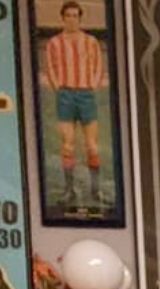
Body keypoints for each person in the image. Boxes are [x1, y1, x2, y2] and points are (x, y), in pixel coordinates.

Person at [40, 1, 108, 215]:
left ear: (80, 18)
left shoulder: (90, 41)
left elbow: (98, 65)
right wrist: (59, 88)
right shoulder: (54, 43)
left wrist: (92, 85)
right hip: (66, 95)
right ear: (63, 18)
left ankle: (96, 191)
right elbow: (50, 67)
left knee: (92, 145)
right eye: (68, 15)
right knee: (67, 145)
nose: (71, 19)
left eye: (75, 15)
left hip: (85, 95)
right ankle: (68, 190)